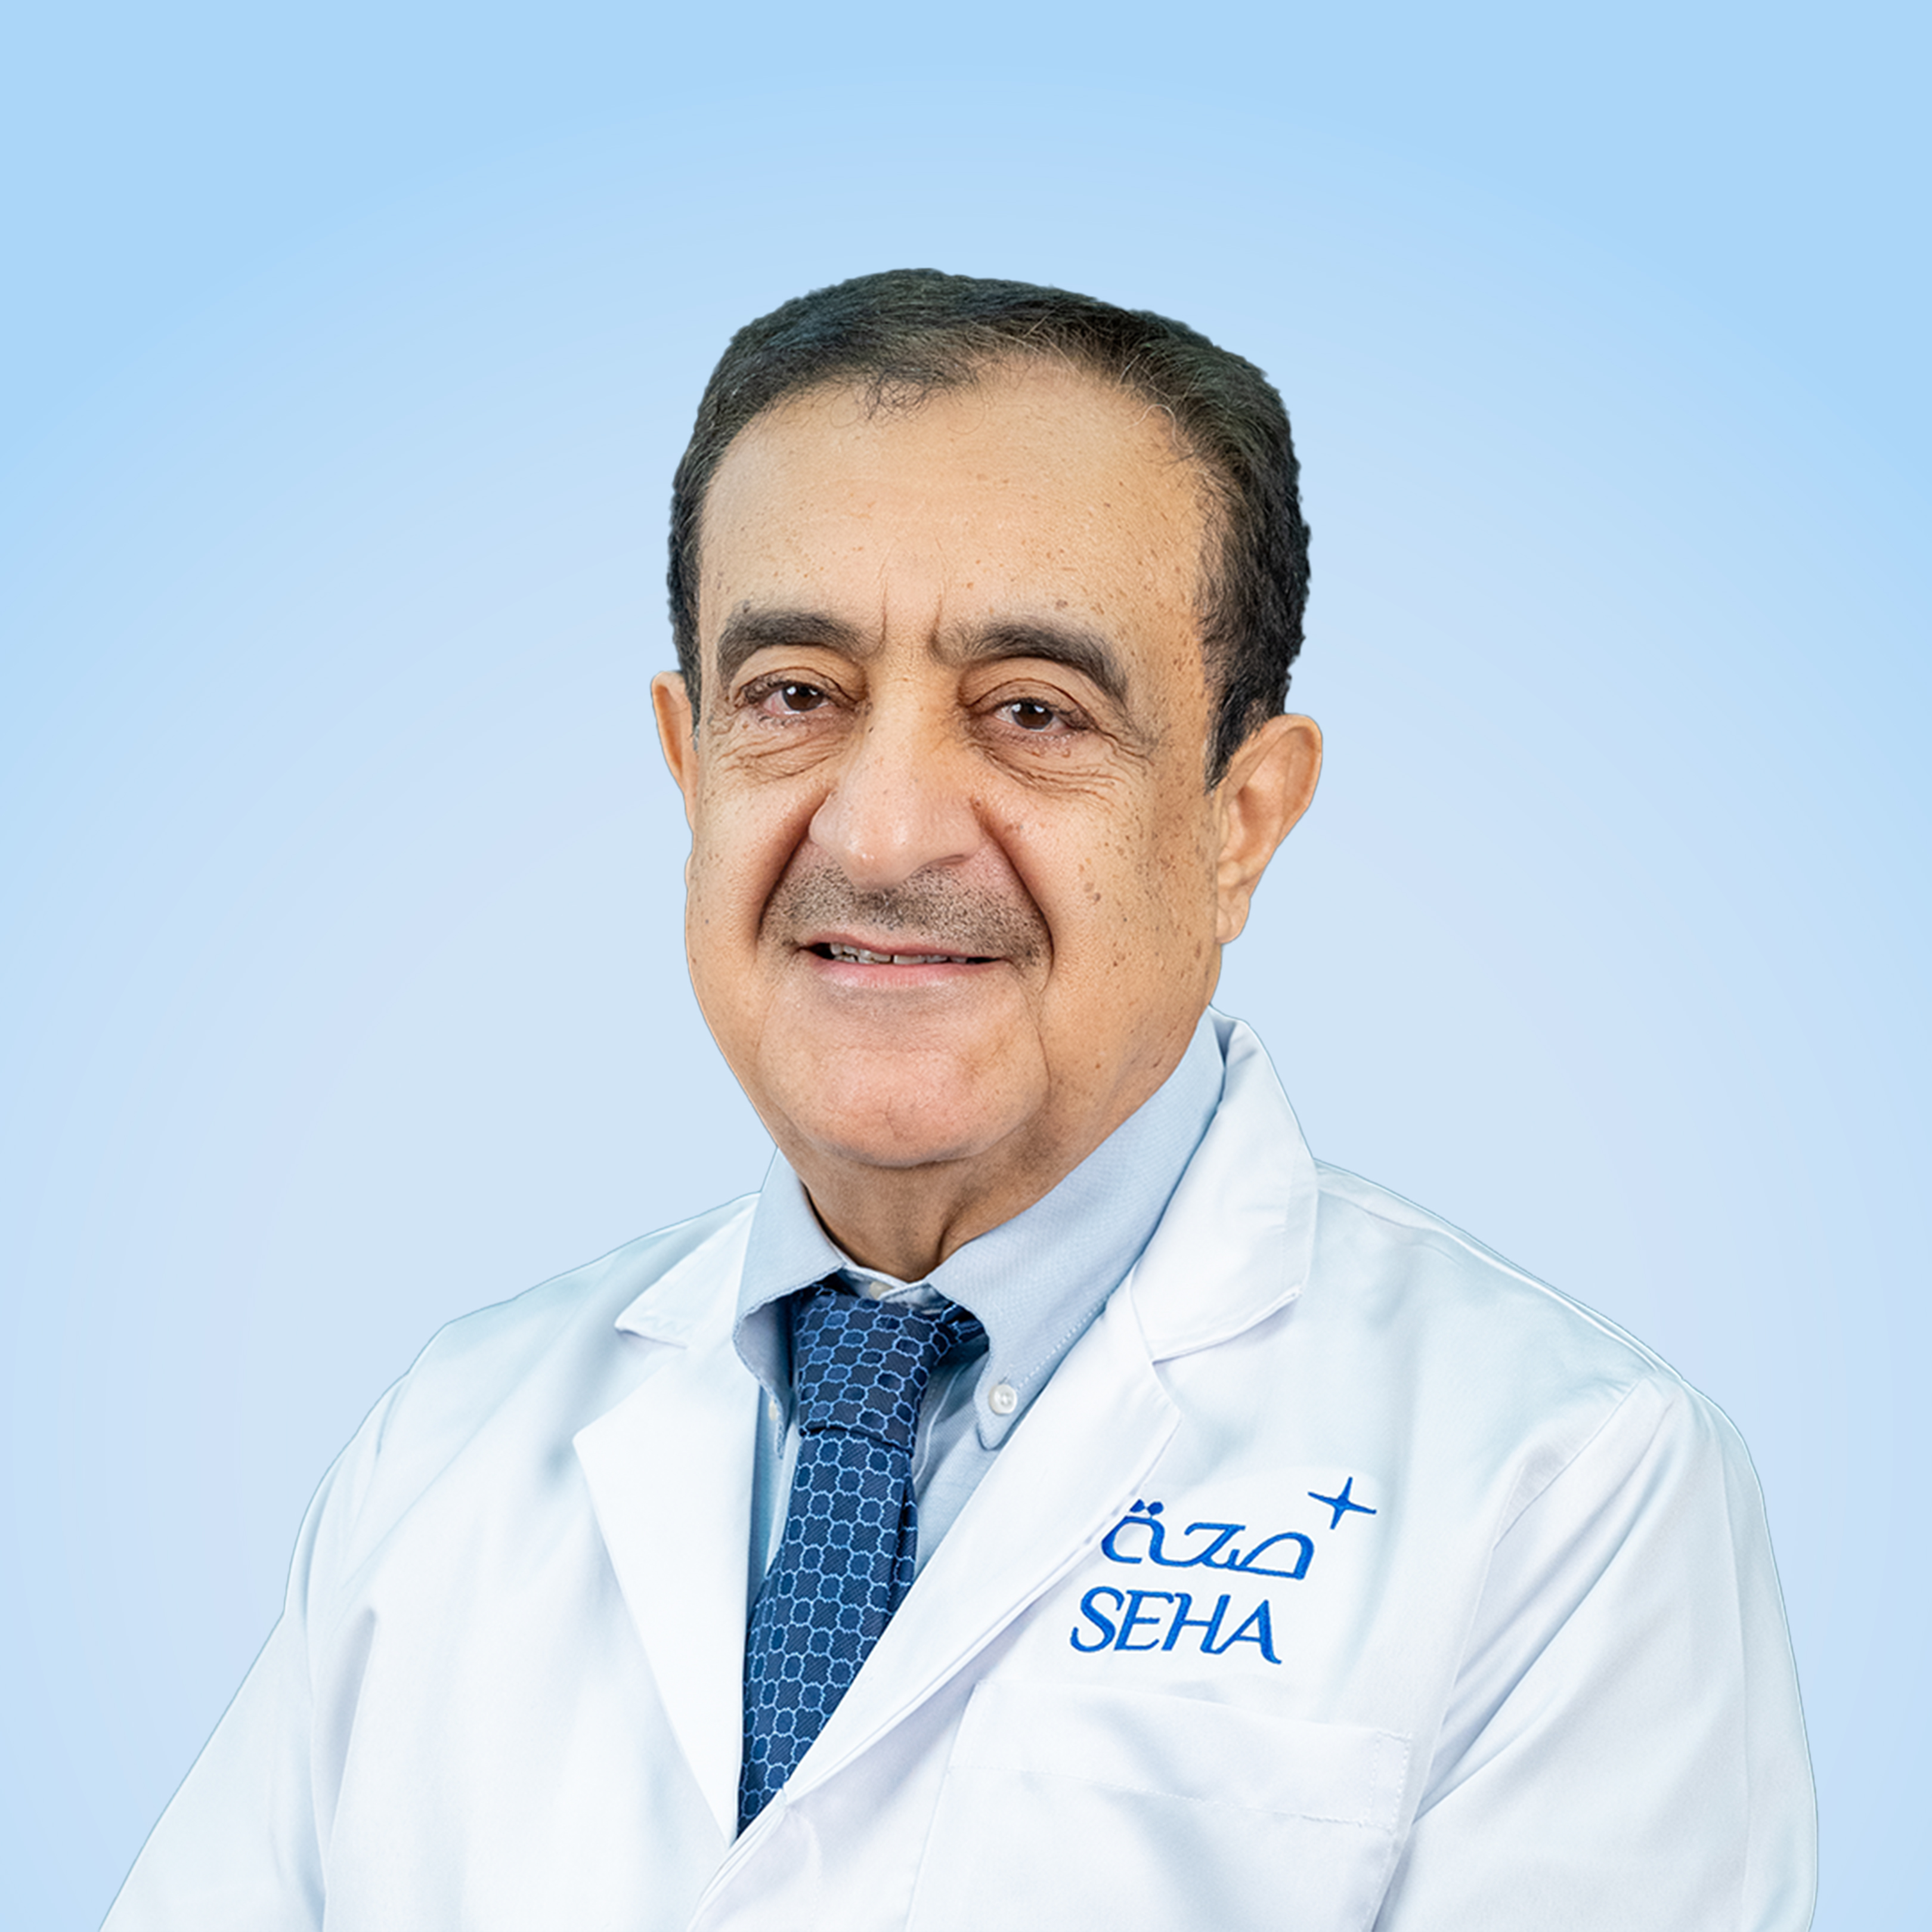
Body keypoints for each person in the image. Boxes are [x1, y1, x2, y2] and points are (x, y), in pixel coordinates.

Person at [103, 270, 1816, 1931]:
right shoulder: (452, 1446)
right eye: (795, 696)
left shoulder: (1567, 1492)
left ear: (1241, 819)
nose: (884, 829)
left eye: (1031, 711)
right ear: (689, 763)